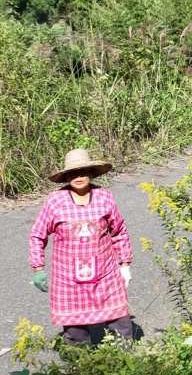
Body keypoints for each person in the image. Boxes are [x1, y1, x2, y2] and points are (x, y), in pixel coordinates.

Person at [29, 149, 133, 348]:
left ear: (91, 174)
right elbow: (37, 235)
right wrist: (38, 269)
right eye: (73, 173)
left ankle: (124, 362)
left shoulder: (105, 197)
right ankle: (82, 365)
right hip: (67, 277)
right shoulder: (55, 201)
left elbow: (119, 231)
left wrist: (125, 264)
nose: (78, 177)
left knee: (120, 321)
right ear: (66, 177)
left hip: (105, 272)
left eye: (83, 172)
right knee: (75, 330)